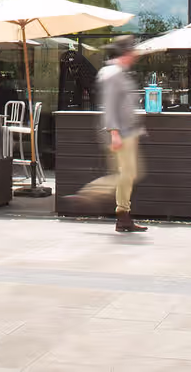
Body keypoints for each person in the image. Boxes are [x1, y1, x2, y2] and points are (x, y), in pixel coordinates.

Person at [61, 36, 148, 233]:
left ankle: (123, 217)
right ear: (124, 53)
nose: (134, 55)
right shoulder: (112, 74)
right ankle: (88, 196)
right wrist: (114, 133)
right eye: (131, 51)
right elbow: (109, 105)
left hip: (128, 132)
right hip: (120, 133)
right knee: (127, 174)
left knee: (128, 175)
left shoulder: (120, 73)